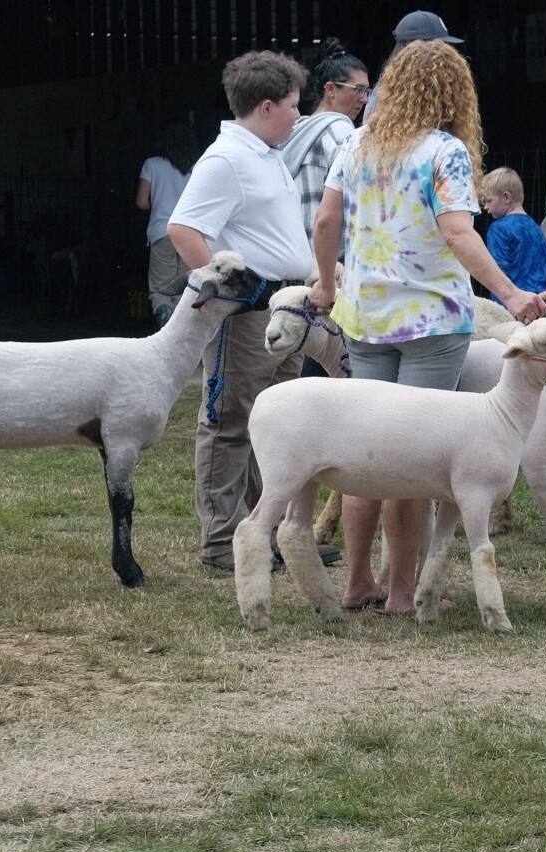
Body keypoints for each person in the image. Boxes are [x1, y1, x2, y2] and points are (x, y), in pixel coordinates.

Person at [306, 39, 546, 614]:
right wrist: (512, 293)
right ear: (453, 92)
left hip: (365, 319)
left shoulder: (359, 144)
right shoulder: (447, 153)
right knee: (409, 459)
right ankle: (400, 594)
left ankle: (357, 581)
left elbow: (325, 218)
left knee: (364, 451)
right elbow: (460, 232)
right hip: (432, 321)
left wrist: (326, 284)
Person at [168, 51, 337, 574]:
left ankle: (265, 533)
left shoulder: (263, 152)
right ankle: (223, 541)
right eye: (292, 104)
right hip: (248, 315)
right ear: (265, 106)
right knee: (231, 422)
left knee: (276, 424)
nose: (298, 114)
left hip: (283, 309)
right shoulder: (226, 159)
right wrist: (230, 294)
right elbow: (183, 229)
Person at [281, 39, 367, 239]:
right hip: (330, 257)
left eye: (367, 92)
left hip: (298, 249)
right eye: (358, 90)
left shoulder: (296, 128)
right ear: (330, 90)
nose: (364, 99)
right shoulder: (341, 131)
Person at [136, 121, 201, 326]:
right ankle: (179, 329)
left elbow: (141, 202)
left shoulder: (152, 165)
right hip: (190, 234)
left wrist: (160, 202)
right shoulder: (199, 166)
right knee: (183, 288)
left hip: (162, 232)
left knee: (161, 288)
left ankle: (165, 319)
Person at [362, 10, 461, 123]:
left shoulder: (439, 86)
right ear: (416, 51)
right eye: (437, 49)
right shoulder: (385, 91)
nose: (446, 56)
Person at [481, 166, 546, 294]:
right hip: (540, 300)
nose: (485, 207)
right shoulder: (535, 227)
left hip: (511, 304)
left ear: (506, 197)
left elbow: (498, 272)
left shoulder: (498, 229)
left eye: (488, 201)